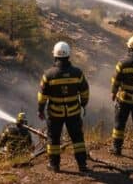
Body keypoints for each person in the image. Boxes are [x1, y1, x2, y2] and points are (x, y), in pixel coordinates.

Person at [37, 41, 90, 172]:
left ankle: (54, 165)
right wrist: (83, 104)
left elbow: (42, 96)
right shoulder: (77, 73)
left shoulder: (48, 75)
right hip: (73, 112)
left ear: (55, 56)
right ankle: (82, 165)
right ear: (68, 56)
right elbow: (85, 91)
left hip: (55, 113)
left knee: (54, 139)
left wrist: (40, 110)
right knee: (77, 138)